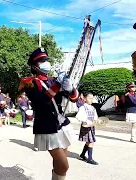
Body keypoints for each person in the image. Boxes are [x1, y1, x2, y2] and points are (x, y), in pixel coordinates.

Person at [18, 47, 79, 180]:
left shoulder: (54, 80)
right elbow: (42, 100)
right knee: (64, 166)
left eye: (46, 60)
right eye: (41, 61)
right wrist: (58, 84)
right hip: (46, 127)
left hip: (62, 124)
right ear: (34, 66)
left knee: (58, 165)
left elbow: (74, 99)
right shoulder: (29, 83)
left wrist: (70, 88)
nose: (46, 63)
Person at [75, 92, 99, 165]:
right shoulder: (83, 107)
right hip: (86, 126)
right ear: (85, 99)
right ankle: (90, 158)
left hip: (91, 126)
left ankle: (82, 154)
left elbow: (95, 117)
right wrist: (86, 122)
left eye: (92, 98)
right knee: (91, 142)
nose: (91, 100)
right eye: (90, 98)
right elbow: (78, 116)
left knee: (88, 141)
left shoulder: (92, 107)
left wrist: (96, 121)